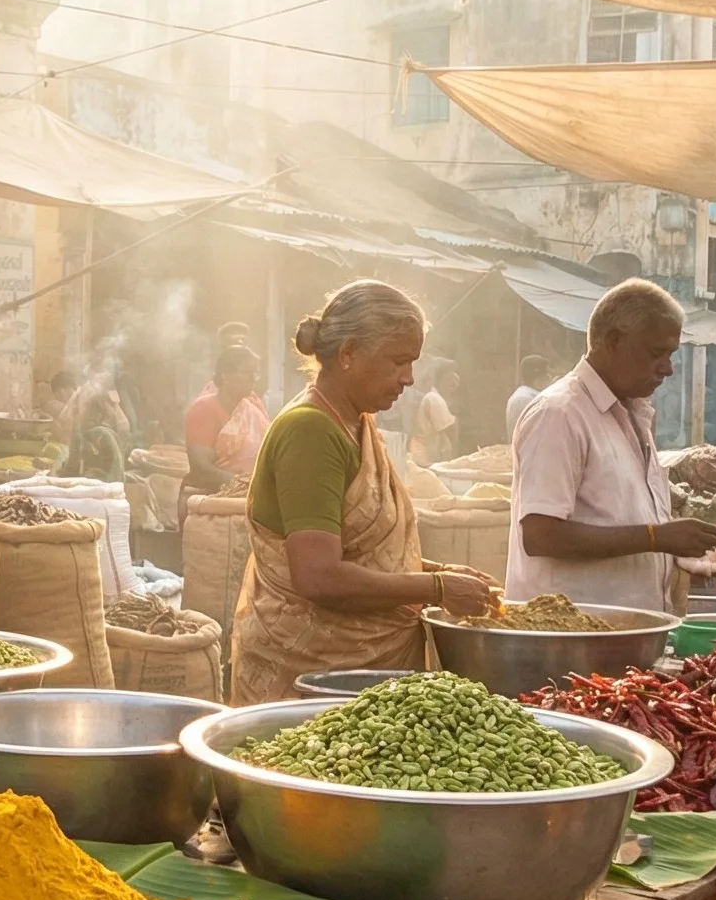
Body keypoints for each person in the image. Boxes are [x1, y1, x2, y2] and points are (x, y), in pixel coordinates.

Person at [229, 281, 499, 705]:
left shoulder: (354, 422)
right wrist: (437, 588)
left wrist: (440, 571)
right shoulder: (311, 430)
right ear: (349, 353)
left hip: (357, 672)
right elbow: (318, 575)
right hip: (313, 677)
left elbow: (363, 553)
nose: (408, 378)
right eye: (398, 361)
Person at [508, 280, 716, 611]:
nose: (668, 368)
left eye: (670, 355)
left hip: (626, 635)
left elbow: (619, 522)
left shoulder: (631, 412)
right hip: (570, 639)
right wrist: (656, 538)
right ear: (613, 341)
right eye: (656, 353)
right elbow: (540, 535)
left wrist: (673, 553)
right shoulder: (560, 413)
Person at [184, 344, 269, 493]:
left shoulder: (254, 409)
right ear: (226, 376)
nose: (253, 379)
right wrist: (246, 483)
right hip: (211, 502)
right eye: (247, 373)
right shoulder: (204, 409)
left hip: (251, 498)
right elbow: (201, 472)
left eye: (256, 373)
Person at [407, 365, 460, 468]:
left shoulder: (439, 399)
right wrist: (456, 457)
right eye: (449, 380)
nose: (453, 385)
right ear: (440, 381)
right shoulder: (434, 398)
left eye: (456, 383)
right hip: (424, 457)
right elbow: (450, 429)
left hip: (429, 455)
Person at [506, 355, 553, 440]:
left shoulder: (526, 394)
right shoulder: (525, 399)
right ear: (538, 379)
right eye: (545, 375)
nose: (549, 377)